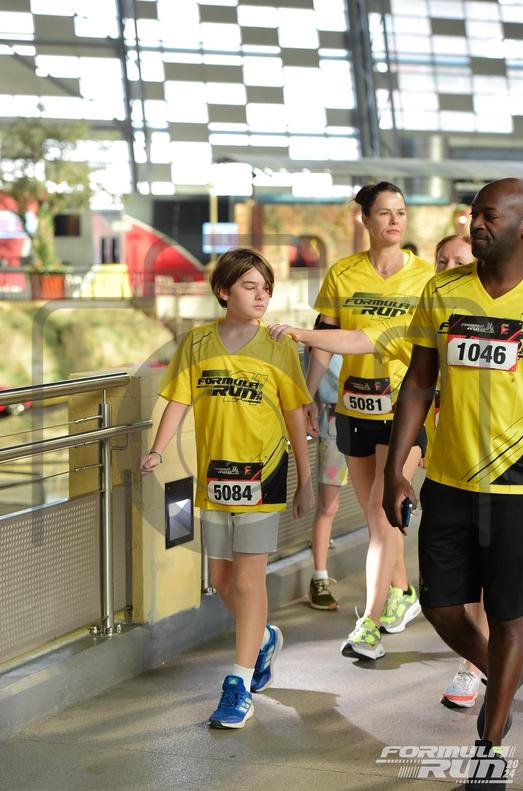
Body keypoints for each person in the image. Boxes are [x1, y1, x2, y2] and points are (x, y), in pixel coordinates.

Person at [383, 178, 523, 787]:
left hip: (518, 488)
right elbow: (419, 382)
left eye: (490, 215)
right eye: (473, 215)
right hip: (447, 478)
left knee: (512, 614)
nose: (476, 224)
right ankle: (505, 676)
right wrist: (395, 467)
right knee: (440, 605)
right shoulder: (442, 292)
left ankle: (489, 744)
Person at [140, 247, 314, 730]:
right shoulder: (197, 343)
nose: (261, 296)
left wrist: (303, 479)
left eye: (266, 288)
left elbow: (295, 414)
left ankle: (238, 682)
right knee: (221, 579)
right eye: (249, 286)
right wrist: (157, 450)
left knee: (249, 580)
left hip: (263, 474)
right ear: (223, 291)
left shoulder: (278, 345)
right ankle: (262, 638)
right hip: (215, 477)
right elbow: (178, 399)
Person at [305, 181, 434, 659]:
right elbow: (324, 340)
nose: (395, 220)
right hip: (354, 409)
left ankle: (369, 626)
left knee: (382, 517)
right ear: (365, 219)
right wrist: (305, 396)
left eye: (401, 212)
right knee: (379, 521)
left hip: (405, 409)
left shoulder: (425, 278)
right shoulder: (343, 273)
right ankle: (402, 591)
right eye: (384, 212)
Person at [430, 234, 490, 710]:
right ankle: (483, 662)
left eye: (459, 260)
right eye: (442, 260)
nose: (449, 267)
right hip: (450, 469)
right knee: (459, 584)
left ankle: (480, 666)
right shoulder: (435, 307)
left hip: (509, 472)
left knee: (497, 582)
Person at [303, 317, 348, 610]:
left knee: (380, 508)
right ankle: (319, 577)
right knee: (328, 505)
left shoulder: (369, 327)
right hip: (335, 422)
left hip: (377, 419)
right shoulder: (321, 334)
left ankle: (394, 584)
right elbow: (312, 386)